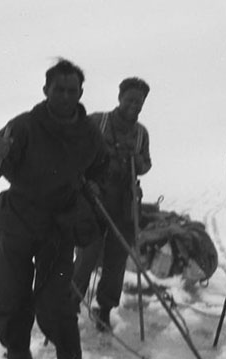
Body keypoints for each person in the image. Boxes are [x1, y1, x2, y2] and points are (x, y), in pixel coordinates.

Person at [0, 59, 107, 359]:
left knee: (56, 307)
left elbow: (100, 168)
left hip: (58, 230)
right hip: (16, 224)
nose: (64, 96)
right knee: (11, 301)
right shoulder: (23, 127)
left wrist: (94, 186)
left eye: (71, 91)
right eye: (58, 89)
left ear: (80, 93)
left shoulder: (88, 133)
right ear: (45, 90)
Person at [72, 77, 152, 331]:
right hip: (93, 199)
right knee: (87, 254)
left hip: (123, 202)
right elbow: (75, 153)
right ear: (120, 98)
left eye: (138, 102)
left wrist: (138, 162)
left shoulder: (141, 133)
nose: (134, 105)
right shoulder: (97, 121)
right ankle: (70, 303)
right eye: (130, 99)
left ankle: (104, 308)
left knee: (117, 259)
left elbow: (147, 164)